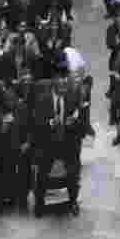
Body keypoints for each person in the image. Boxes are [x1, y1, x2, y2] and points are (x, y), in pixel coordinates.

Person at [31, 73, 82, 217]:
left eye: (65, 86)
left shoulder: (70, 99)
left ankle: (73, 201)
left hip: (66, 142)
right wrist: (49, 123)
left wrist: (73, 122)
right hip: (48, 144)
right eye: (61, 86)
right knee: (42, 174)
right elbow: (36, 123)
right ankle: (39, 204)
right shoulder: (43, 100)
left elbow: (78, 117)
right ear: (54, 86)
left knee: (72, 173)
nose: (64, 89)